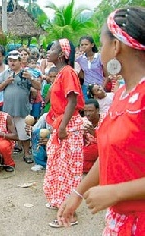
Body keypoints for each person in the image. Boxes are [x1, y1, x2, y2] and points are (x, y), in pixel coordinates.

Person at [57, 7, 145, 235]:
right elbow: (109, 154)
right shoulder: (122, 94)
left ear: (116, 46)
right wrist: (77, 194)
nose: (100, 50)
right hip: (120, 221)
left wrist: (116, 192)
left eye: (102, 43)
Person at [42, 38, 84, 227]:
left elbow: (73, 101)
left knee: (67, 170)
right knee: (58, 167)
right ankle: (60, 202)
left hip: (68, 126)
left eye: (52, 48)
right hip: (62, 124)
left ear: (61, 54)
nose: (48, 50)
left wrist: (62, 127)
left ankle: (70, 214)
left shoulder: (67, 72)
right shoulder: (61, 73)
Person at [0, 50, 41, 164]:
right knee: (9, 132)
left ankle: (26, 153)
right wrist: (6, 82)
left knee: (24, 132)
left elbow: (39, 87)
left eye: (15, 61)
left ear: (20, 62)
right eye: (10, 61)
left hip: (22, 109)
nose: (12, 63)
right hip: (8, 109)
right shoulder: (5, 74)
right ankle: (9, 152)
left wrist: (30, 78)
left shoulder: (26, 73)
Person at [76, 36, 107, 101]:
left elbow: (107, 75)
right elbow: (80, 74)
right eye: (82, 45)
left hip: (99, 87)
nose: (84, 46)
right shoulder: (80, 59)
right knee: (88, 107)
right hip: (87, 88)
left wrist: (102, 88)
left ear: (92, 45)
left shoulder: (99, 57)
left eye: (86, 44)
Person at [82, 99, 105, 174]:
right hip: (88, 150)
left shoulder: (106, 120)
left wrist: (95, 134)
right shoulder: (83, 121)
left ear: (97, 110)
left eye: (90, 111)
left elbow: (110, 139)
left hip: (102, 147)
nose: (87, 114)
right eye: (85, 111)